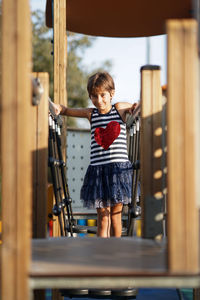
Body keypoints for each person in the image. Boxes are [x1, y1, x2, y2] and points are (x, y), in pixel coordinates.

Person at [52, 72, 138, 237]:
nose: (99, 100)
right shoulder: (91, 114)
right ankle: (101, 250)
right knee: (102, 218)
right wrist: (59, 108)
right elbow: (67, 110)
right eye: (94, 96)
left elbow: (133, 106)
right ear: (90, 96)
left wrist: (135, 106)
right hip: (98, 172)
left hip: (118, 172)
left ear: (111, 93)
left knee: (115, 217)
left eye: (103, 95)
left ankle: (116, 250)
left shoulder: (119, 109)